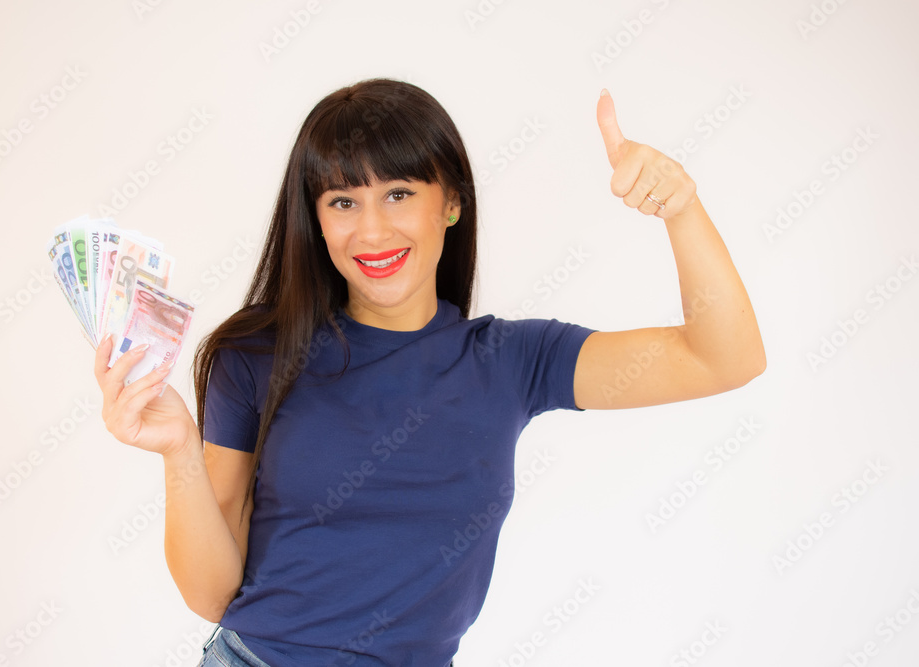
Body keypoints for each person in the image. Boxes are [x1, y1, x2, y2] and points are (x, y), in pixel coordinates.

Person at [93, 78, 766, 666]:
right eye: (342, 201)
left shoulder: (512, 360)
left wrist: (680, 206)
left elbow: (724, 357)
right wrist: (178, 450)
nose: (372, 231)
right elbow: (212, 593)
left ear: (451, 202)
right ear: (317, 219)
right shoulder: (255, 357)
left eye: (399, 193)